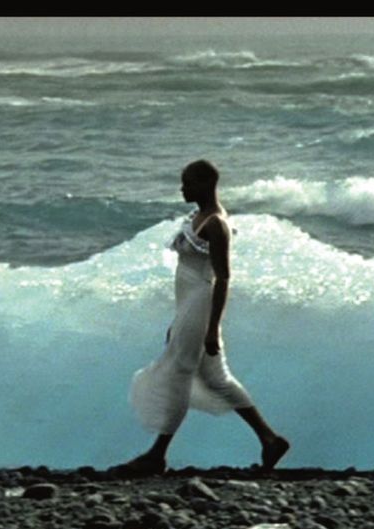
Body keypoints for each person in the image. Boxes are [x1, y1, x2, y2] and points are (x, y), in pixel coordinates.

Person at [112, 160, 290, 477]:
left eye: (188, 183)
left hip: (201, 307)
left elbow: (222, 279)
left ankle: (156, 454)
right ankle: (270, 438)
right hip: (189, 308)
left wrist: (211, 329)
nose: (183, 188)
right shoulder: (198, 217)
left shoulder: (216, 224)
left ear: (205, 183)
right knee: (216, 378)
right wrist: (178, 320)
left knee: (178, 373)